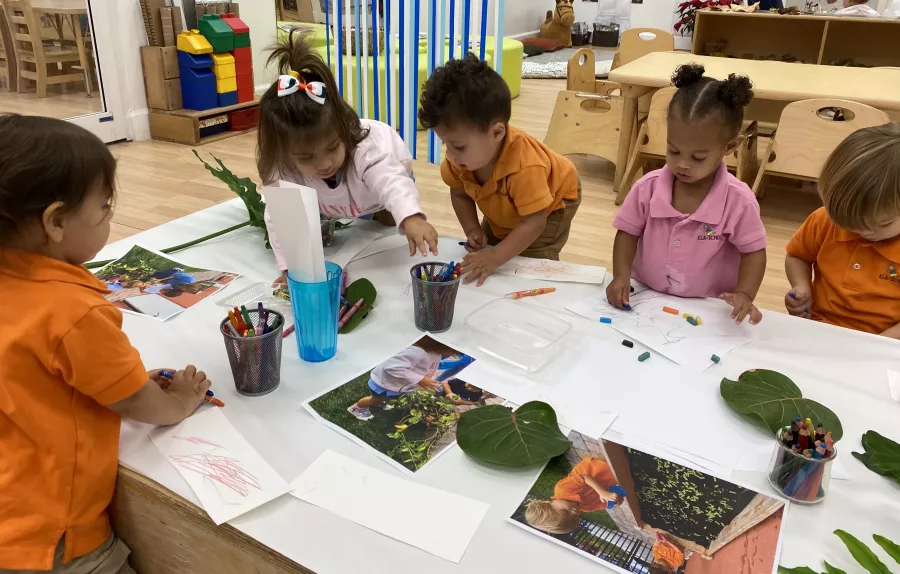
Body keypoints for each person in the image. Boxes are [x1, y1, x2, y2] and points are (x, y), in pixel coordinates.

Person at [0, 115, 213, 573]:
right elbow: (138, 401)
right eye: (104, 208)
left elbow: (37, 376)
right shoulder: (75, 312)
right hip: (57, 537)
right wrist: (175, 401)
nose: (110, 218)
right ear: (55, 221)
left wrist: (115, 382)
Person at [257, 30, 438, 286]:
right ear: (284, 154)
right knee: (359, 226)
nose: (324, 164)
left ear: (344, 130)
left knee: (386, 221)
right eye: (307, 157)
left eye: (332, 148)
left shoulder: (367, 149)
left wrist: (411, 217)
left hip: (378, 186)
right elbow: (282, 217)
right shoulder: (282, 168)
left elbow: (390, 182)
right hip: (346, 199)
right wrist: (291, 269)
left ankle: (380, 213)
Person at [606, 63, 768, 325]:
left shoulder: (739, 201)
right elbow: (627, 233)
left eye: (698, 157)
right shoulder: (647, 188)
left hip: (708, 309)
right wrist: (621, 275)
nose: (682, 164)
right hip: (647, 299)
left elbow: (754, 252)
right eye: (673, 150)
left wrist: (745, 294)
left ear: (730, 146)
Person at [418, 54, 581, 286]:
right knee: (495, 241)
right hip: (510, 199)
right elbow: (459, 193)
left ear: (497, 133)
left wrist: (496, 256)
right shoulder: (462, 159)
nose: (451, 155)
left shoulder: (525, 167)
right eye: (446, 144)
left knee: (528, 261)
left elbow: (535, 223)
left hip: (555, 199)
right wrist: (472, 228)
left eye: (459, 146)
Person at [784, 123, 900, 337]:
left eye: (881, 224)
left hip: (883, 342)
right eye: (847, 222)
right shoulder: (823, 220)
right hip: (818, 326)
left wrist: (879, 344)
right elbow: (797, 256)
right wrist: (801, 286)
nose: (863, 231)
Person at [347, 338, 459, 421]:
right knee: (375, 398)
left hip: (395, 384)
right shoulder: (417, 353)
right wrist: (420, 379)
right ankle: (357, 408)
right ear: (440, 346)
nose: (454, 353)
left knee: (386, 397)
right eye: (453, 350)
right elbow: (391, 367)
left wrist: (423, 379)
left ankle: (381, 403)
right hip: (384, 383)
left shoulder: (435, 354)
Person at [524, 457, 623, 535]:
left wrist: (602, 492)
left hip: (601, 463)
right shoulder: (587, 507)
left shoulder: (562, 489)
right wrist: (616, 500)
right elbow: (608, 502)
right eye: (575, 517)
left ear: (547, 503)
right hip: (618, 476)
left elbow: (585, 478)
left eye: (565, 511)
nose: (574, 512)